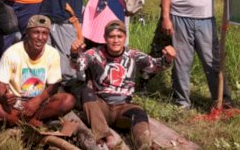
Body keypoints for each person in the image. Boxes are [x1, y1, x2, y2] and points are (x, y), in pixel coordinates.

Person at [70, 20, 176, 150]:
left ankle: (144, 145)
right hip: (101, 108)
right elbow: (78, 65)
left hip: (123, 109)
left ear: (125, 38)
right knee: (86, 92)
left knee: (139, 113)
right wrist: (74, 53)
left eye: (119, 37)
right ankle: (105, 136)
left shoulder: (133, 55)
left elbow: (155, 65)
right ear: (105, 38)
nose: (116, 40)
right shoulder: (95, 53)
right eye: (111, 37)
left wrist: (168, 58)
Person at [0, 15, 75, 127]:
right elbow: (0, 86)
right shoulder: (11, 53)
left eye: (44, 33)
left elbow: (53, 86)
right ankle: (25, 122)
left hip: (39, 103)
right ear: (27, 33)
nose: (40, 37)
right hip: (16, 104)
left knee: (68, 100)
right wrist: (4, 97)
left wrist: (37, 101)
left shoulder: (52, 53)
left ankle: (22, 120)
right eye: (36, 32)